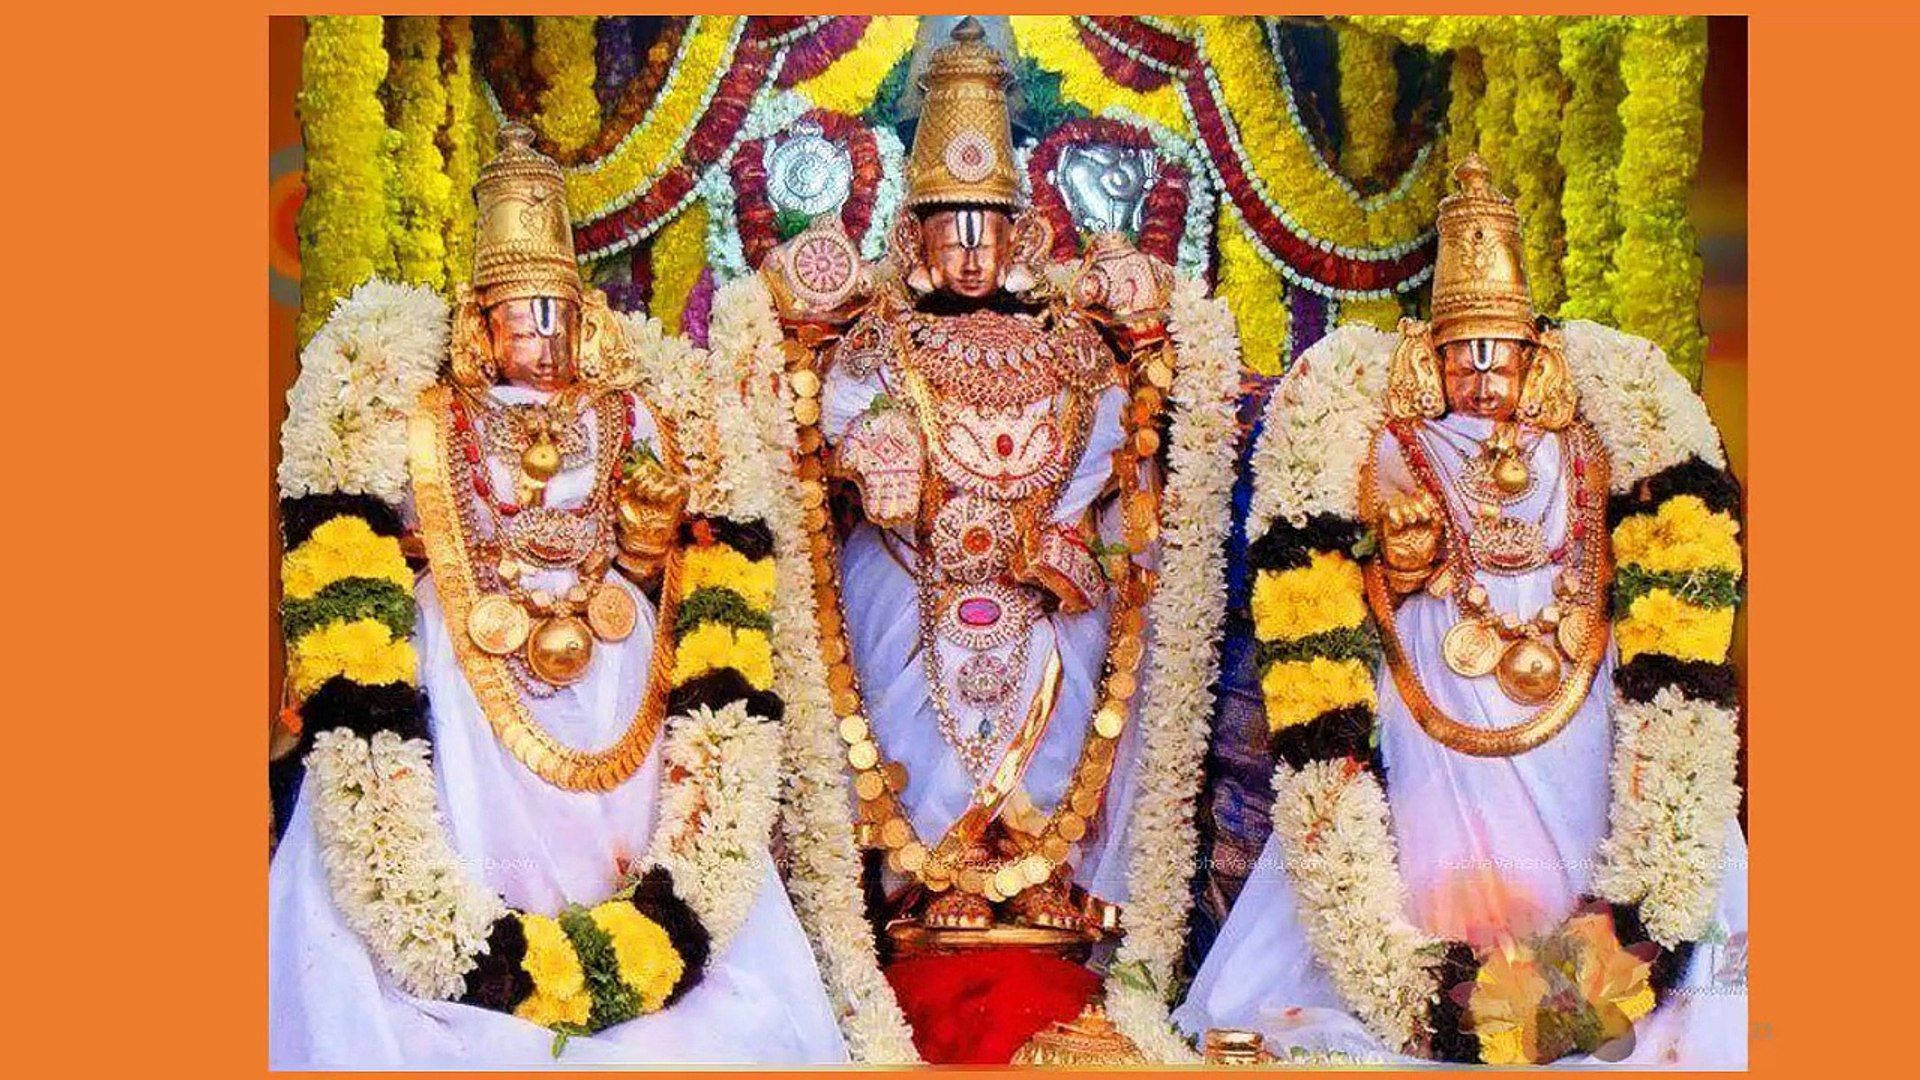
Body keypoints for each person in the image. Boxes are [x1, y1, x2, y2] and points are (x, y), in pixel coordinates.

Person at [268, 124, 847, 1067]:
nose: (545, 335)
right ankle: (465, 955)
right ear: (480, 325)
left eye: (560, 315)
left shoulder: (628, 412)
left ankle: (639, 959)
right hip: (469, 643)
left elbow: (660, 542)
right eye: (523, 314)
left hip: (610, 649)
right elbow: (398, 528)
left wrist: (652, 534)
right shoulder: (430, 414)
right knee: (439, 785)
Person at [1175, 156, 1747, 1067]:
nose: (1481, 380)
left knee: (1625, 838)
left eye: (1499, 355)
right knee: (1430, 873)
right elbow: (1359, 566)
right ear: (1428, 359)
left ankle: (1587, 991)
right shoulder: (1392, 441)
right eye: (1461, 356)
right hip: (1438, 685)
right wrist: (1400, 554)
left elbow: (1611, 551)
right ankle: (1443, 993)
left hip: (1568, 689)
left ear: (1533, 356)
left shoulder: (1588, 441)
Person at [757, 17, 1179, 1062]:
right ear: (917, 237)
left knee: (1065, 700)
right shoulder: (876, 340)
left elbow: (1114, 443)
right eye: (952, 228)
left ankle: (1039, 875)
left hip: (1036, 578)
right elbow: (831, 425)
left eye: (990, 227)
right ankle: (926, 879)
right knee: (908, 705)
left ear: (1024, 233)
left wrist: (1054, 537)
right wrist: (872, 458)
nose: (974, 250)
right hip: (913, 574)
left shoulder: (1071, 345)